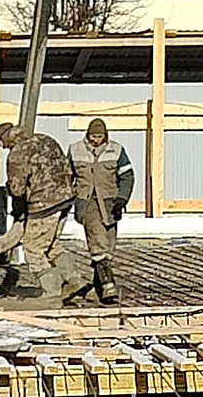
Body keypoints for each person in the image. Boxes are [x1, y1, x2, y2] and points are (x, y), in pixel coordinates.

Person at [0, 120, 74, 296]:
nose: (3, 147)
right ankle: (74, 279)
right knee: (52, 246)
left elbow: (17, 189)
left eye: (1, 143)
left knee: (33, 248)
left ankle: (52, 292)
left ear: (6, 138)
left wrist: (16, 202)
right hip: (65, 199)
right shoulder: (45, 139)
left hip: (42, 205)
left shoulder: (18, 153)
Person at [68, 117, 136, 305]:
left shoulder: (117, 150)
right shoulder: (75, 150)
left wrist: (122, 199)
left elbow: (127, 176)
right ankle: (108, 286)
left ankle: (97, 288)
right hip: (87, 202)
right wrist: (71, 199)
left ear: (105, 135)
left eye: (99, 136)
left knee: (108, 246)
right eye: (93, 136)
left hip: (109, 204)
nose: (96, 140)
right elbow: (67, 177)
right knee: (98, 244)